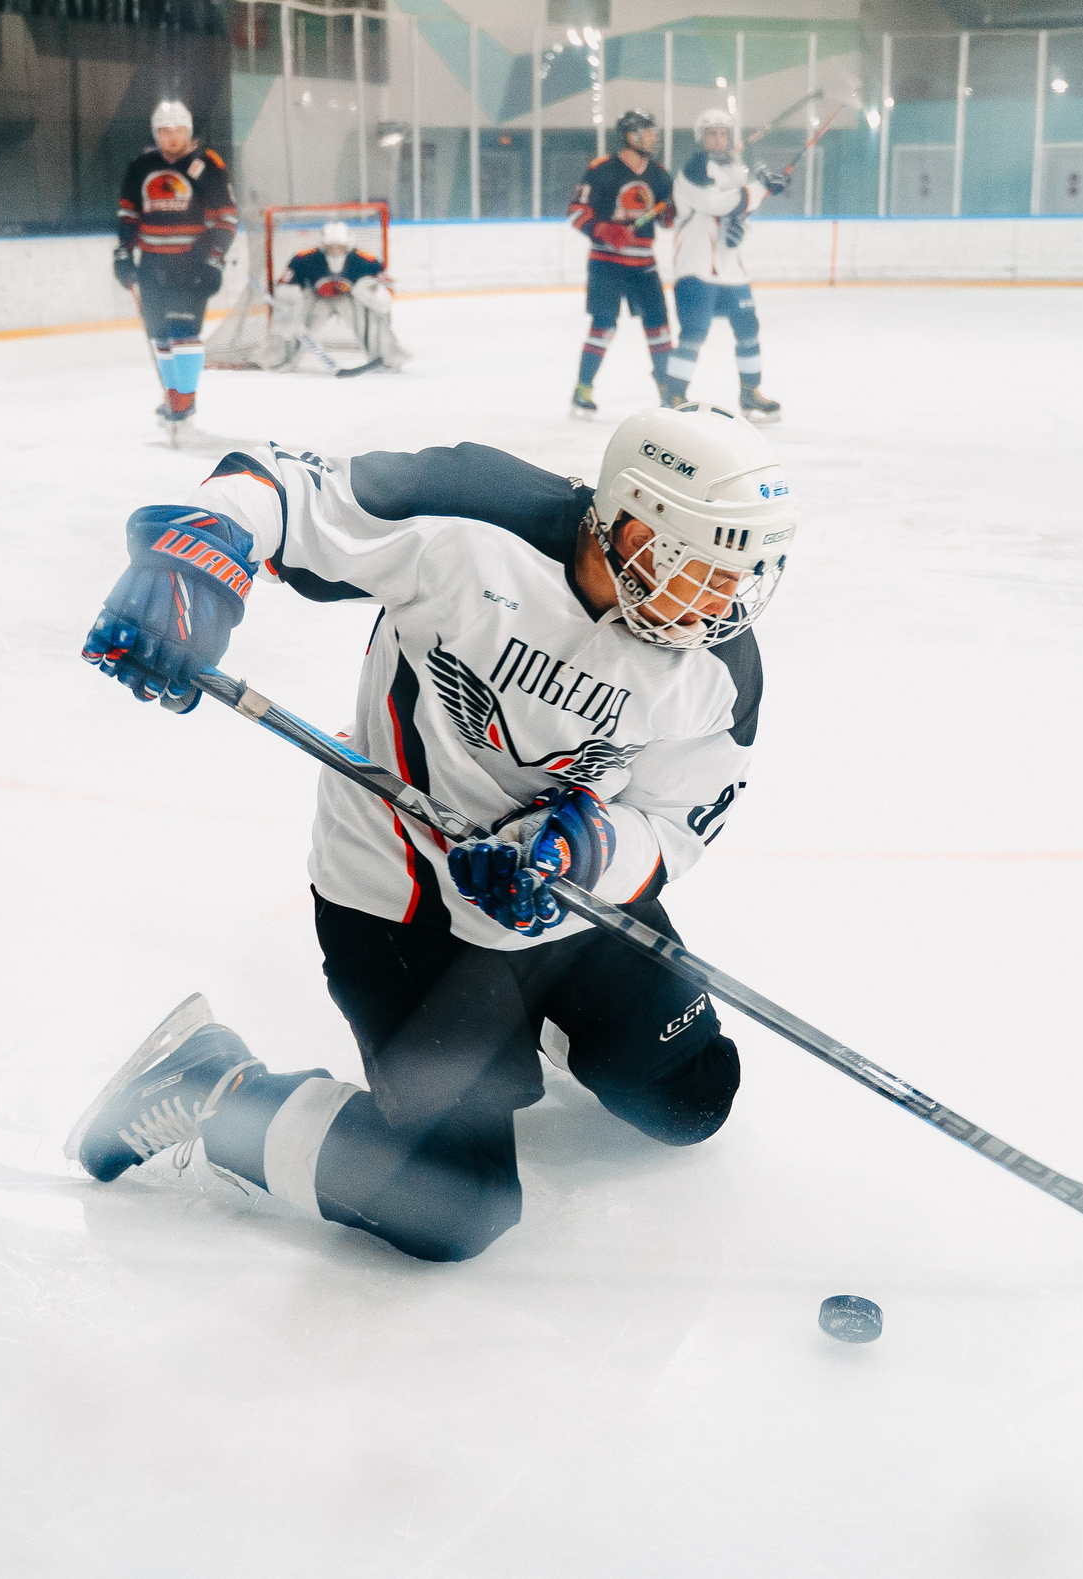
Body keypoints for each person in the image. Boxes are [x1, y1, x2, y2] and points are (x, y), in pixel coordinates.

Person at [64, 407, 797, 1263]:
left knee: (693, 1098)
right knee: (458, 1203)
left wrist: (585, 851)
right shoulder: (476, 518)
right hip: (402, 899)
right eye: (706, 568)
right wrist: (191, 553)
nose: (727, 601)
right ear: (635, 527)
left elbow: (672, 824)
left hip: (567, 903)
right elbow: (282, 486)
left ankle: (540, 1020)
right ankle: (209, 1088)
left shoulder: (719, 669)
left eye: (743, 574)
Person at [115, 100, 238, 443]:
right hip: (152, 264)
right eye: (164, 131)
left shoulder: (206, 165)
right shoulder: (141, 166)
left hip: (192, 264)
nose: (171, 138)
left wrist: (214, 259)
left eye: (178, 130)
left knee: (184, 331)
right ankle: (174, 394)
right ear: (156, 133)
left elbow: (225, 218)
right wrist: (123, 255)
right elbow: (128, 216)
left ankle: (184, 400)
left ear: (189, 130)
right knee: (161, 336)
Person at [667, 106, 788, 422]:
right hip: (696, 268)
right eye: (711, 134)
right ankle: (675, 395)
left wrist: (741, 229)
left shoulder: (736, 170)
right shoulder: (693, 169)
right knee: (693, 333)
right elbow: (716, 203)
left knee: (749, 329)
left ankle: (751, 392)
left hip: (731, 269)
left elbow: (738, 211)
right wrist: (763, 188)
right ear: (700, 139)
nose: (718, 140)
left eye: (722, 134)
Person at [565, 109, 679, 418]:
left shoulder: (659, 174)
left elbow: (668, 220)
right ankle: (583, 389)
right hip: (606, 264)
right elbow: (577, 212)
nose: (654, 136)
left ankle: (669, 389)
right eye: (648, 130)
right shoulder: (601, 170)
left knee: (660, 329)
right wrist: (601, 229)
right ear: (632, 135)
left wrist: (673, 207)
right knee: (602, 328)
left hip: (644, 265)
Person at [263, 218, 408, 372]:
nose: (335, 250)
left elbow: (387, 289)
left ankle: (386, 359)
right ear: (323, 244)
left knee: (372, 319)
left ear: (348, 244)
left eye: (340, 246)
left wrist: (374, 295)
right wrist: (289, 299)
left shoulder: (366, 261)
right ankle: (279, 358)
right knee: (291, 318)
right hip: (315, 299)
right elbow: (285, 284)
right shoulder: (304, 259)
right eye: (331, 246)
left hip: (350, 300)